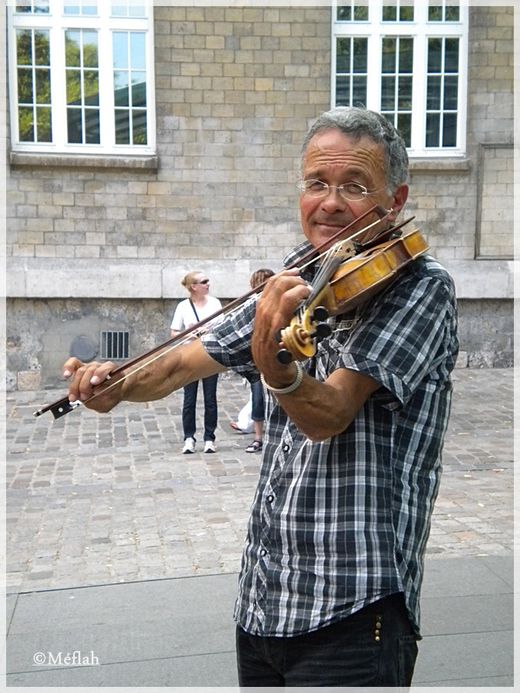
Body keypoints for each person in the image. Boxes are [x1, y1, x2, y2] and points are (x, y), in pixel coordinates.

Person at [62, 106, 459, 687]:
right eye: (317, 183)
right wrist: (115, 385)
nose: (329, 202)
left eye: (354, 186)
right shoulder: (300, 273)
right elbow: (178, 363)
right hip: (265, 603)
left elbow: (330, 412)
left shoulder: (421, 286)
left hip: (356, 609)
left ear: (395, 201)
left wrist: (276, 367)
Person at [169, 271, 222, 454]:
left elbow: (221, 326)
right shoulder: (183, 306)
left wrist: (209, 330)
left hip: (209, 356)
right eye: (204, 281)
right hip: (190, 357)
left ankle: (209, 438)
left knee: (210, 399)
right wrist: (189, 333)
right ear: (194, 286)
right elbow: (174, 332)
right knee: (189, 399)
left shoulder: (215, 303)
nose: (208, 284)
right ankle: (189, 438)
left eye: (208, 281)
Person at [230, 268, 275, 453]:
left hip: (278, 358)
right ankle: (258, 438)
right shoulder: (251, 305)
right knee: (258, 399)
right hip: (257, 359)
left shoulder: (278, 302)